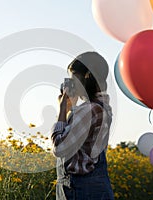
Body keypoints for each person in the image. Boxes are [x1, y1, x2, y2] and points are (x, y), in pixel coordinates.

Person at [50, 51, 114, 200]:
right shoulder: (102, 107)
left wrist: (62, 111)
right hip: (94, 188)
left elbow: (59, 148)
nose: (71, 85)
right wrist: (70, 110)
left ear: (87, 78)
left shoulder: (89, 110)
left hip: (82, 189)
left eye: (74, 79)